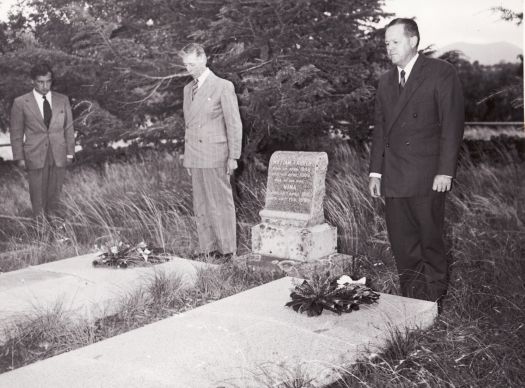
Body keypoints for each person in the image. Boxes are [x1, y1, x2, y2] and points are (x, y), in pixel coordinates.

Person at [369, 19, 464, 307]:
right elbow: (381, 128)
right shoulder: (386, 80)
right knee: (403, 244)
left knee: (429, 240)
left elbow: (452, 124)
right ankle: (411, 302)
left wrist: (445, 171)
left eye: (394, 42)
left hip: (428, 175)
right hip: (394, 176)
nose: (389, 48)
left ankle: (434, 301)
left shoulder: (440, 73)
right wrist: (375, 172)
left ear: (413, 41)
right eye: (386, 43)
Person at [179, 43, 242, 261]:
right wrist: (187, 157)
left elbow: (234, 123)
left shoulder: (223, 86)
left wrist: (234, 156)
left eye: (193, 64)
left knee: (220, 204)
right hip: (195, 155)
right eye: (186, 65)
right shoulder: (188, 89)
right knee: (202, 205)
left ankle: (227, 250)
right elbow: (189, 126)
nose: (189, 69)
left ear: (204, 59)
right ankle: (208, 249)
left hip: (216, 154)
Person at [10, 63, 75, 220]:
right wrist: (19, 157)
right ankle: (41, 234)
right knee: (38, 199)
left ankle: (56, 234)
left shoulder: (63, 100)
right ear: (33, 81)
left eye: (48, 81)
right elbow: (16, 133)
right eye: (40, 82)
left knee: (55, 197)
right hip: (35, 156)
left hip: (58, 155)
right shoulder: (20, 102)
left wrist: (70, 154)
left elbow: (69, 128)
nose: (45, 86)